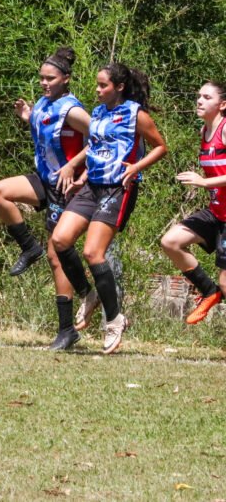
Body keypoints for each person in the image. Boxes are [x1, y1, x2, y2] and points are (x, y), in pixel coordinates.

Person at [50, 63, 168, 354]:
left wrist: (136, 167)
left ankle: (115, 320)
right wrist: (81, 175)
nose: (97, 90)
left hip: (118, 187)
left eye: (103, 85)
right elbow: (97, 148)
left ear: (119, 87)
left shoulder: (135, 114)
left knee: (93, 253)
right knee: (60, 240)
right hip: (92, 185)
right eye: (97, 85)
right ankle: (88, 295)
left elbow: (160, 146)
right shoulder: (99, 112)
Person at [0, 48, 91, 349]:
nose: (44, 83)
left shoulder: (72, 109)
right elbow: (47, 132)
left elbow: (100, 136)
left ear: (66, 79)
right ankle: (27, 247)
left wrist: (73, 165)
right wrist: (29, 117)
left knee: (56, 256)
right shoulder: (45, 104)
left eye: (50, 79)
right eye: (41, 78)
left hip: (66, 186)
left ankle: (67, 329)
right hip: (44, 179)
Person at [160, 81, 226, 324]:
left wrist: (205, 183)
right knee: (171, 241)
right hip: (217, 212)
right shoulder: (203, 133)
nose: (199, 100)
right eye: (198, 96)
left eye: (207, 97)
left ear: (222, 105)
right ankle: (209, 293)